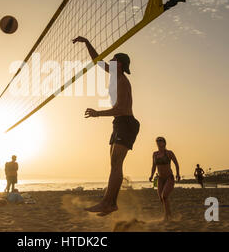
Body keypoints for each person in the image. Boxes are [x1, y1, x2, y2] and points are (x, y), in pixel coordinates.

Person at [72, 36, 140, 216]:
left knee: (116, 163)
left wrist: (97, 113)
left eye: (114, 60)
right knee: (114, 164)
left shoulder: (123, 82)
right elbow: (97, 61)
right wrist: (86, 42)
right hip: (119, 123)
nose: (110, 62)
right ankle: (111, 203)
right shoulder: (114, 74)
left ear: (119, 64)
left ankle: (107, 202)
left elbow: (121, 108)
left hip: (126, 122)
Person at [149, 137, 180, 221]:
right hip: (160, 178)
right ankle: (169, 214)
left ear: (164, 143)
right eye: (157, 141)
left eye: (160, 141)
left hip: (169, 177)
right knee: (161, 198)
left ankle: (166, 216)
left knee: (164, 196)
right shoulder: (155, 154)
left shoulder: (169, 153)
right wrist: (151, 176)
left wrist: (177, 174)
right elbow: (154, 166)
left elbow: (176, 163)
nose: (158, 142)